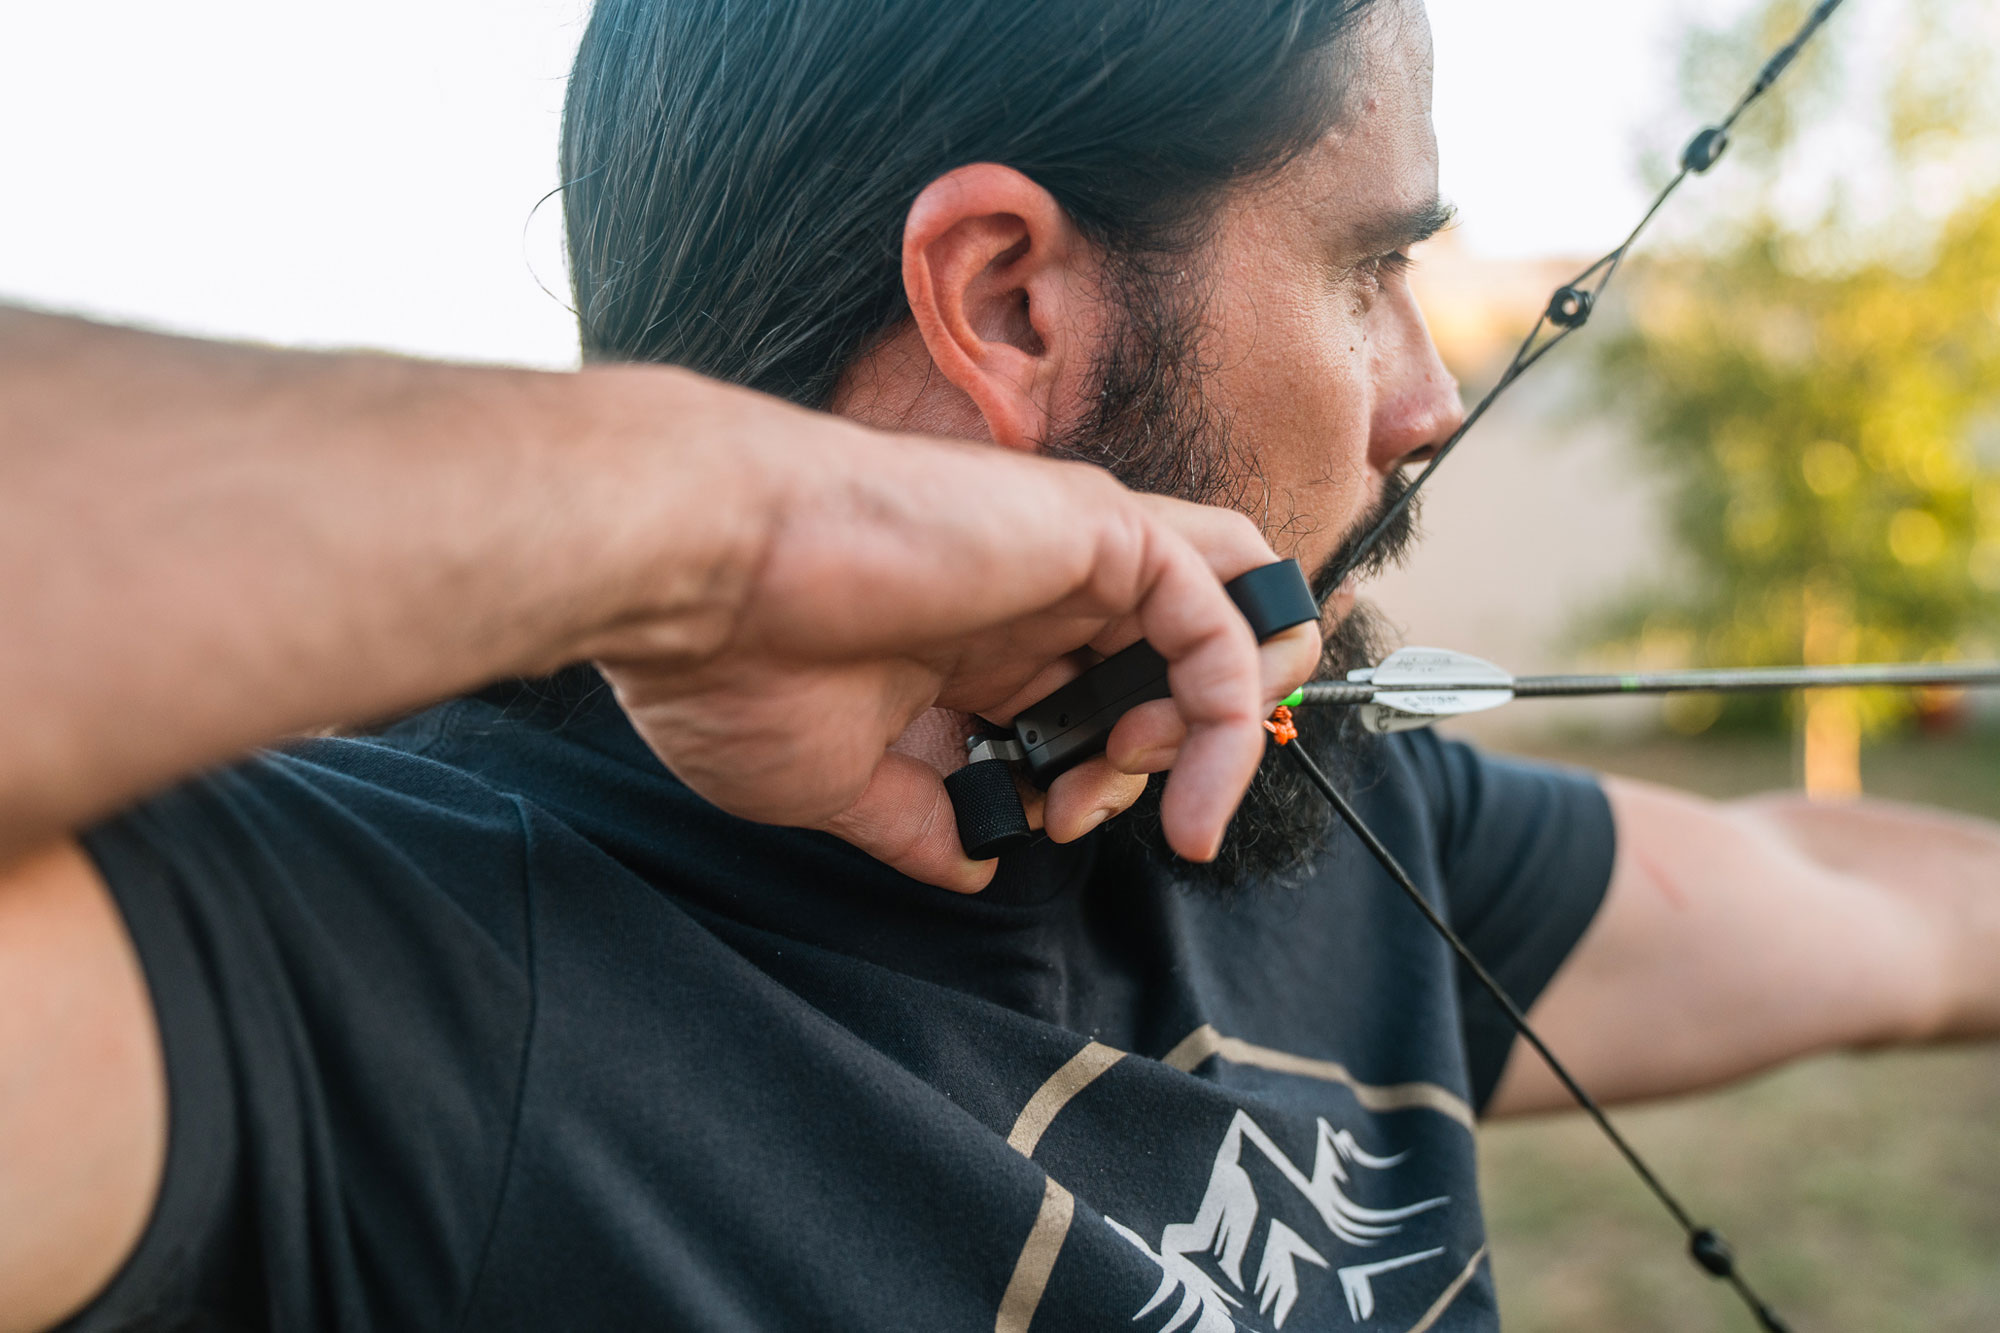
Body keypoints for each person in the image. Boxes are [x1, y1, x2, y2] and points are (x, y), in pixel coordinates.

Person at [12, 1, 2000, 1330]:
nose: (1429, 395)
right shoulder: (365, 973)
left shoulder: (1308, 827)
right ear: (1009, 300)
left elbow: (1855, 897)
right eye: (1368, 267)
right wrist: (727, 535)